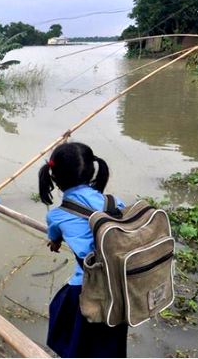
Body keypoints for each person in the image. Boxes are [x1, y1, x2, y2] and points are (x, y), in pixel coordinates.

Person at [38, 142, 128, 358]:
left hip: (86, 288)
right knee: (109, 344)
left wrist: (56, 241)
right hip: (120, 287)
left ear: (55, 179)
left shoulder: (57, 216)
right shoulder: (114, 202)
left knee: (64, 322)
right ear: (91, 172)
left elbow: (54, 236)